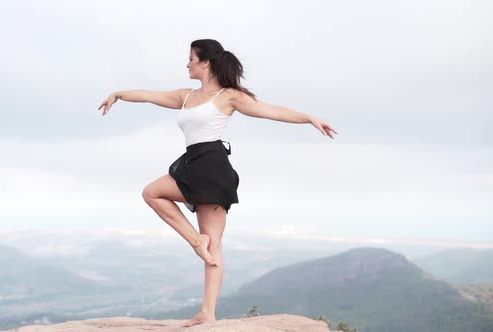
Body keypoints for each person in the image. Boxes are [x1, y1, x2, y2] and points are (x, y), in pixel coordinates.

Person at [98, 39, 337, 327]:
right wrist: (119, 94)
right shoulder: (185, 96)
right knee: (157, 197)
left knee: (161, 199)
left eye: (191, 59)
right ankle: (203, 283)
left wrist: (309, 118)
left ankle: (206, 306)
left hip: (211, 165)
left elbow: (271, 110)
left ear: (205, 62)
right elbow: (150, 95)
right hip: (193, 162)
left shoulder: (228, 96)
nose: (187, 64)